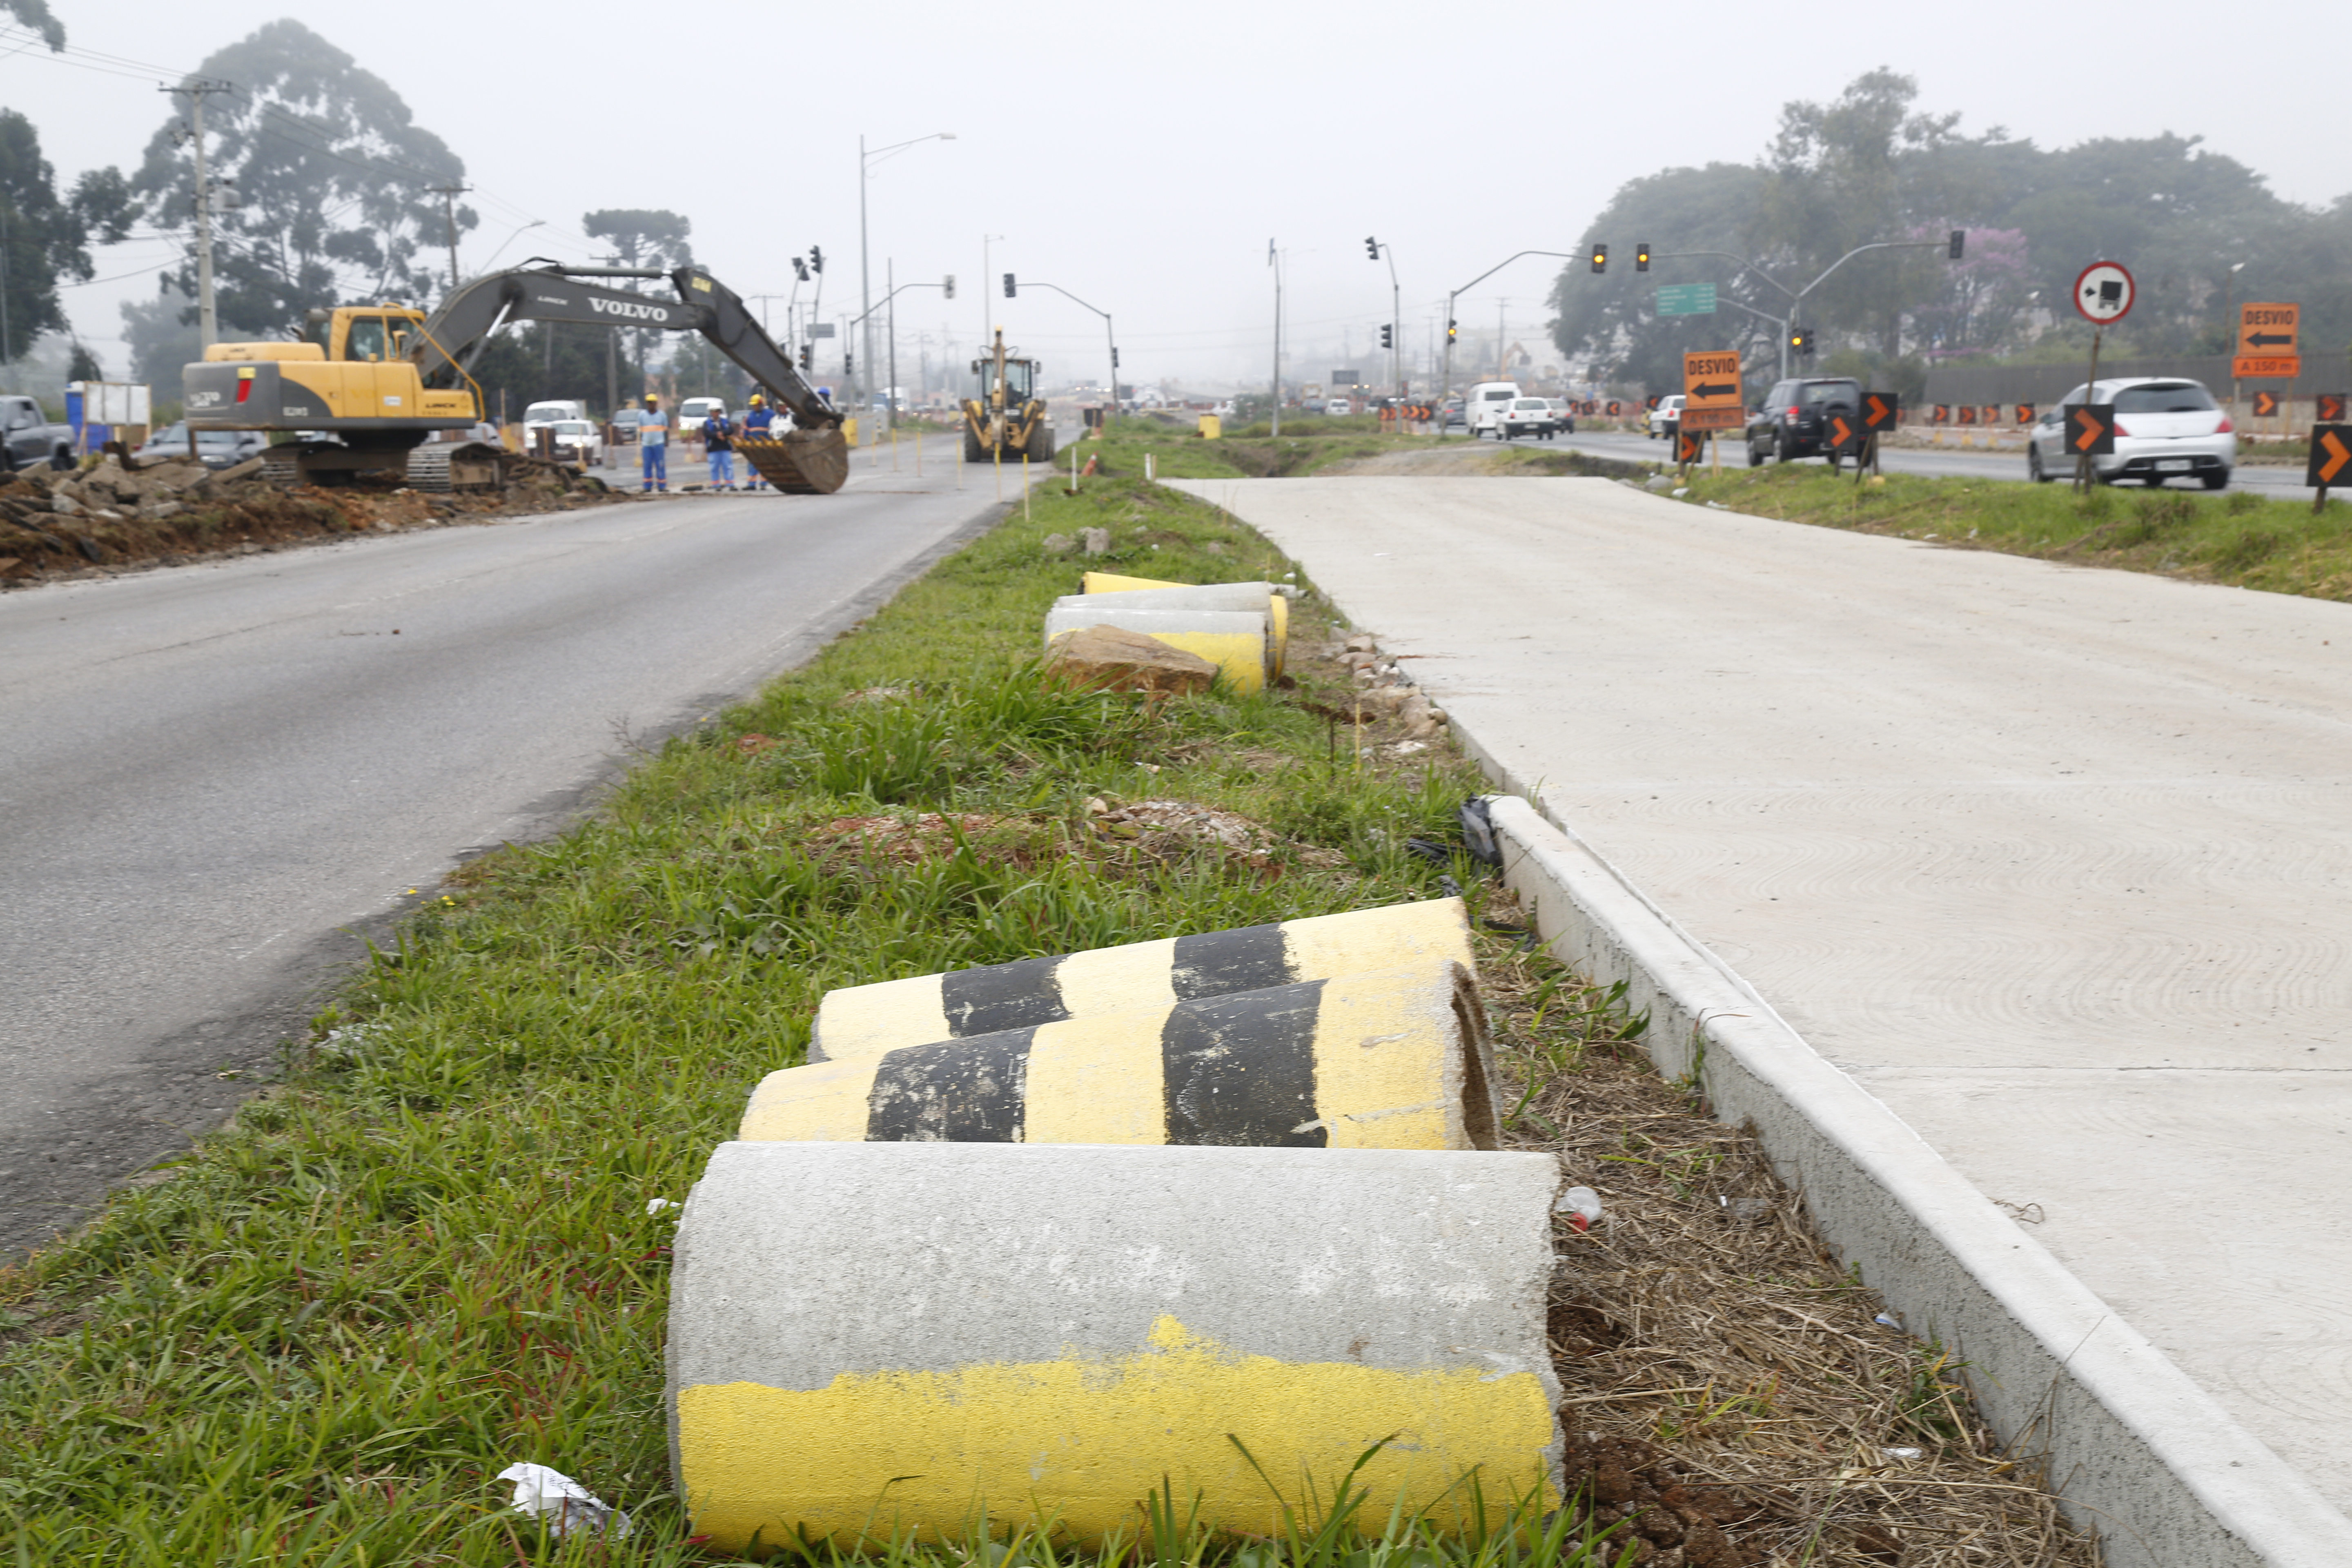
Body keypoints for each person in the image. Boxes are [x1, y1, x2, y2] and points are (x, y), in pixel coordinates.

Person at [739, 392, 775, 490]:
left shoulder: (770, 414)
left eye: (756, 405)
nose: (754, 407)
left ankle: (764, 483)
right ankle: (751, 484)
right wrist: (745, 441)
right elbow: (746, 429)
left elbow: (775, 427)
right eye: (753, 406)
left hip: (766, 443)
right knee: (753, 463)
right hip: (753, 444)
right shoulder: (750, 416)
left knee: (765, 463)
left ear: (760, 404)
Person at [702, 405, 737, 491]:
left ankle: (730, 484)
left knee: (728, 466)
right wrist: (717, 435)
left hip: (725, 448)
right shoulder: (707, 423)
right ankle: (716, 485)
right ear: (711, 413)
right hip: (713, 449)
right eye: (714, 411)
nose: (716, 413)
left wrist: (722, 433)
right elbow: (707, 433)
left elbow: (731, 430)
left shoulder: (725, 422)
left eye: (717, 411)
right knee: (714, 467)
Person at [639, 393, 668, 493]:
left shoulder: (662, 415)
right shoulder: (642, 415)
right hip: (647, 445)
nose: (651, 405)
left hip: (659, 444)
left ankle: (662, 485)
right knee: (647, 465)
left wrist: (666, 442)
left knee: (660, 465)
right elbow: (641, 430)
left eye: (652, 403)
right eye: (649, 403)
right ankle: (647, 486)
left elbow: (666, 430)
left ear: (656, 403)